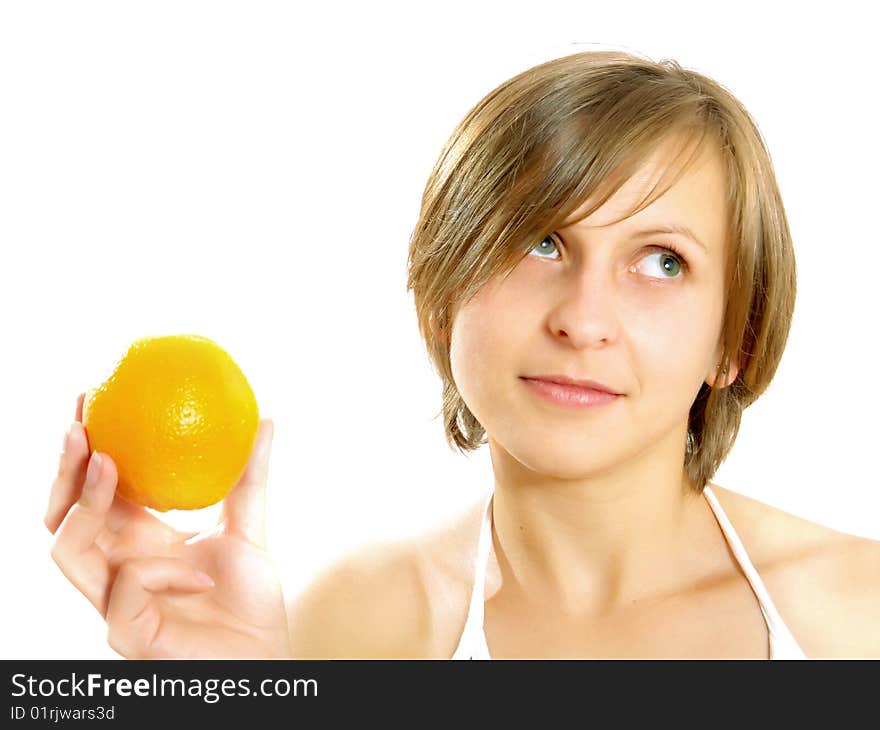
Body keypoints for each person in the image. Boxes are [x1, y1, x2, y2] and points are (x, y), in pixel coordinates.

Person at [45, 50, 880, 659]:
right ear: (443, 296)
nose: (584, 322)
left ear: (733, 341)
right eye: (541, 241)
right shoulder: (343, 630)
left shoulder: (858, 613)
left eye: (663, 261)